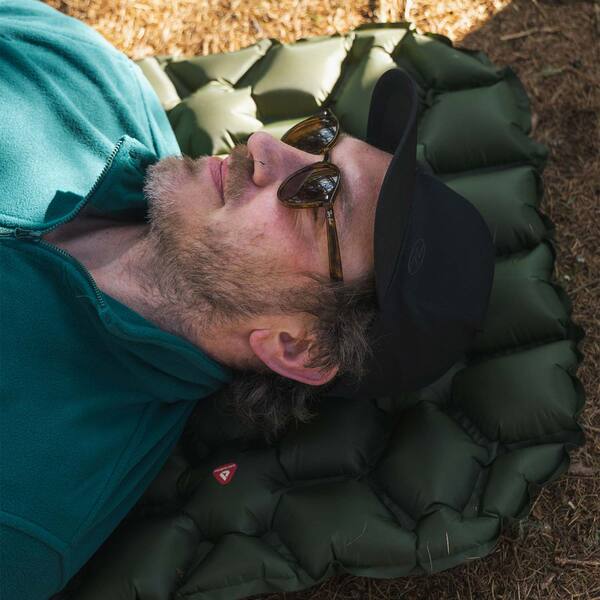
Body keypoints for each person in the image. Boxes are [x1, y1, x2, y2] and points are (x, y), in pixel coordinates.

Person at [0, 1, 495, 598]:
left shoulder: (29, 503)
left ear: (298, 347)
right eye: (317, 139)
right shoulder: (83, 76)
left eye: (319, 192)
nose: (263, 145)